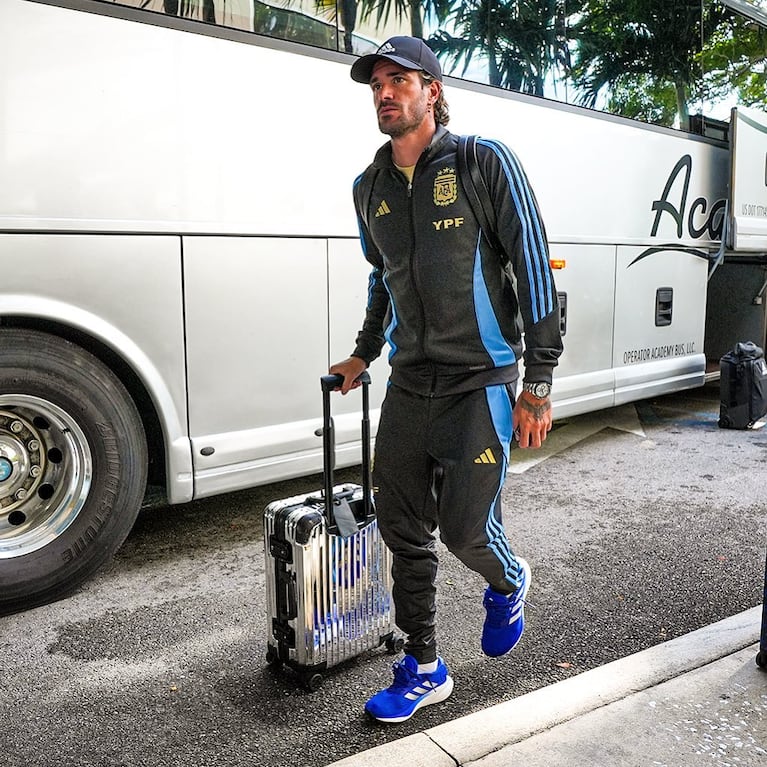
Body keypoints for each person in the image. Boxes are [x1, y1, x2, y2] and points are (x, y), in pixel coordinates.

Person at [330, 35, 563, 724]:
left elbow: (531, 259)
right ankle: (423, 666)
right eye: (376, 83)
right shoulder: (367, 186)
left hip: (479, 382)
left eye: (400, 80)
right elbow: (383, 279)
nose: (385, 92)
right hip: (409, 384)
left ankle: (508, 578)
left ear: (433, 90)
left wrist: (538, 382)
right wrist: (362, 352)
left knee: (465, 532)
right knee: (402, 530)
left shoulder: (480, 162)